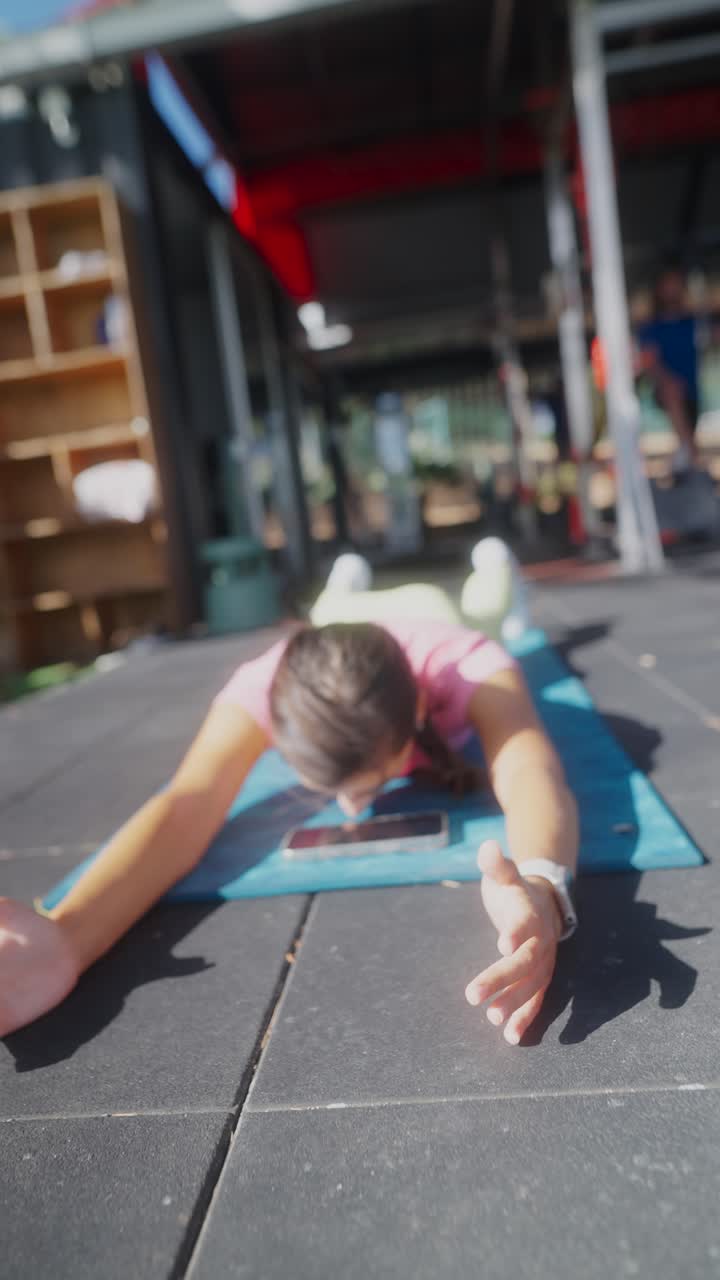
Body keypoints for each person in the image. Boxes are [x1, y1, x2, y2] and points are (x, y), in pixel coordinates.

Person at [0, 560, 578, 1048]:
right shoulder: (263, 686)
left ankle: (491, 568)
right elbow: (187, 802)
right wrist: (72, 934)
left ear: (421, 716)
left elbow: (527, 763)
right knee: (336, 604)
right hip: (338, 635)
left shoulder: (469, 663)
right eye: (336, 790)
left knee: (484, 602)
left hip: (435, 614)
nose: (353, 806)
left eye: (371, 782)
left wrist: (541, 881)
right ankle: (345, 584)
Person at [636, 264, 702, 471]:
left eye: (676, 285)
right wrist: (667, 380)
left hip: (692, 390)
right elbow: (649, 361)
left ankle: (687, 454)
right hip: (667, 389)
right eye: (667, 285)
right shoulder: (651, 326)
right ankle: (689, 452)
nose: (672, 289)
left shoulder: (692, 321)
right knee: (672, 392)